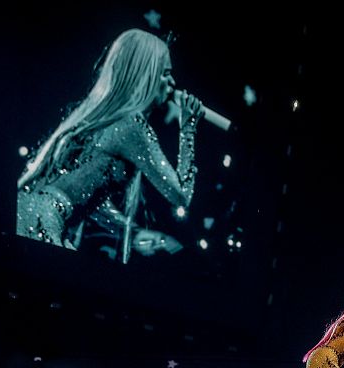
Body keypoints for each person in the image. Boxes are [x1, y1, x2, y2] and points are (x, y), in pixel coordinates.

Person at [16, 28, 205, 263]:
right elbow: (181, 195)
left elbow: (86, 194)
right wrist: (188, 129)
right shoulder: (131, 124)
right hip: (41, 221)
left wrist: (132, 231)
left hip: (26, 213)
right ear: (146, 74)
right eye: (165, 73)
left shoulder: (100, 116)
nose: (173, 82)